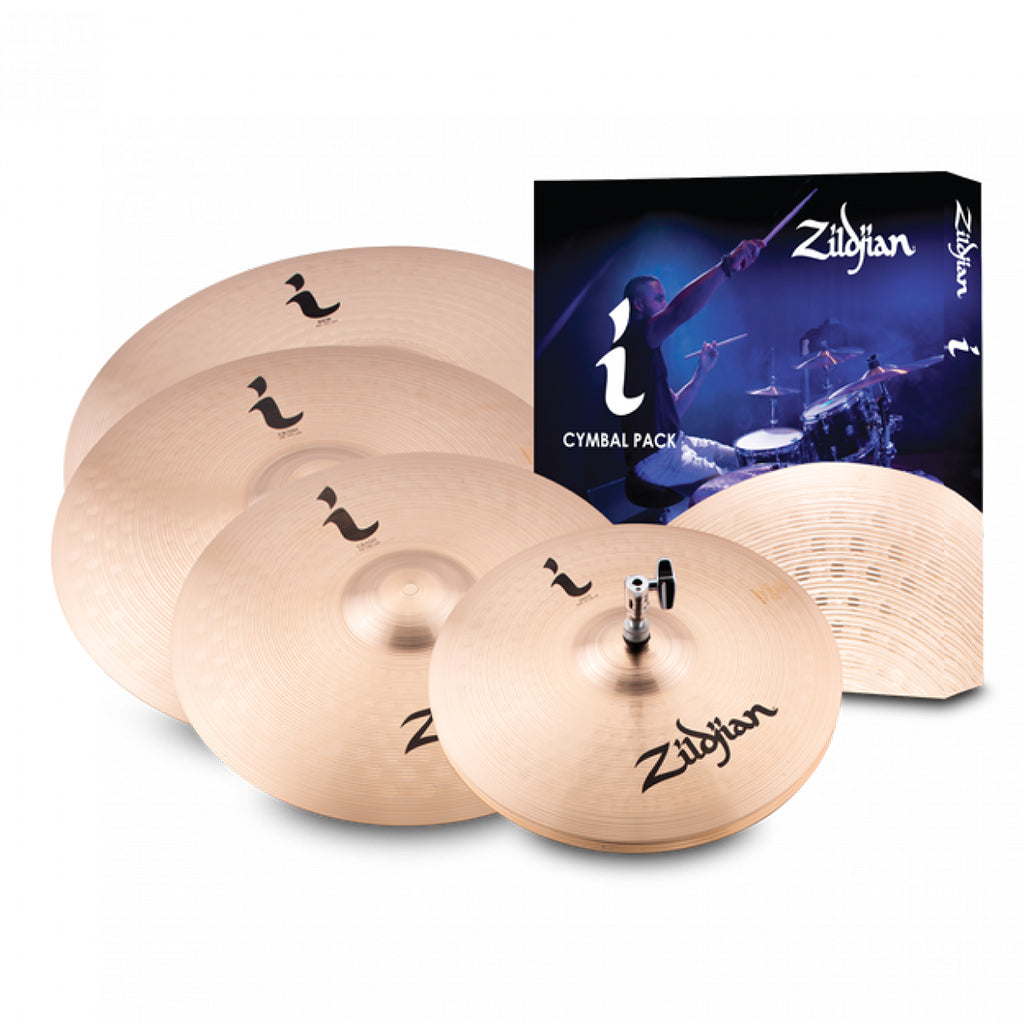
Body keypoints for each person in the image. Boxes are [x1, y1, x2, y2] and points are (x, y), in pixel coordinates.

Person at [617, 239, 764, 488]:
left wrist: (701, 371)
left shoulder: (645, 351)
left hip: (675, 443)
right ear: (639, 305)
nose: (664, 305)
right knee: (736, 486)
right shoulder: (633, 339)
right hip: (656, 460)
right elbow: (678, 312)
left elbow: (674, 410)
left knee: (747, 460)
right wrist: (726, 265)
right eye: (659, 299)